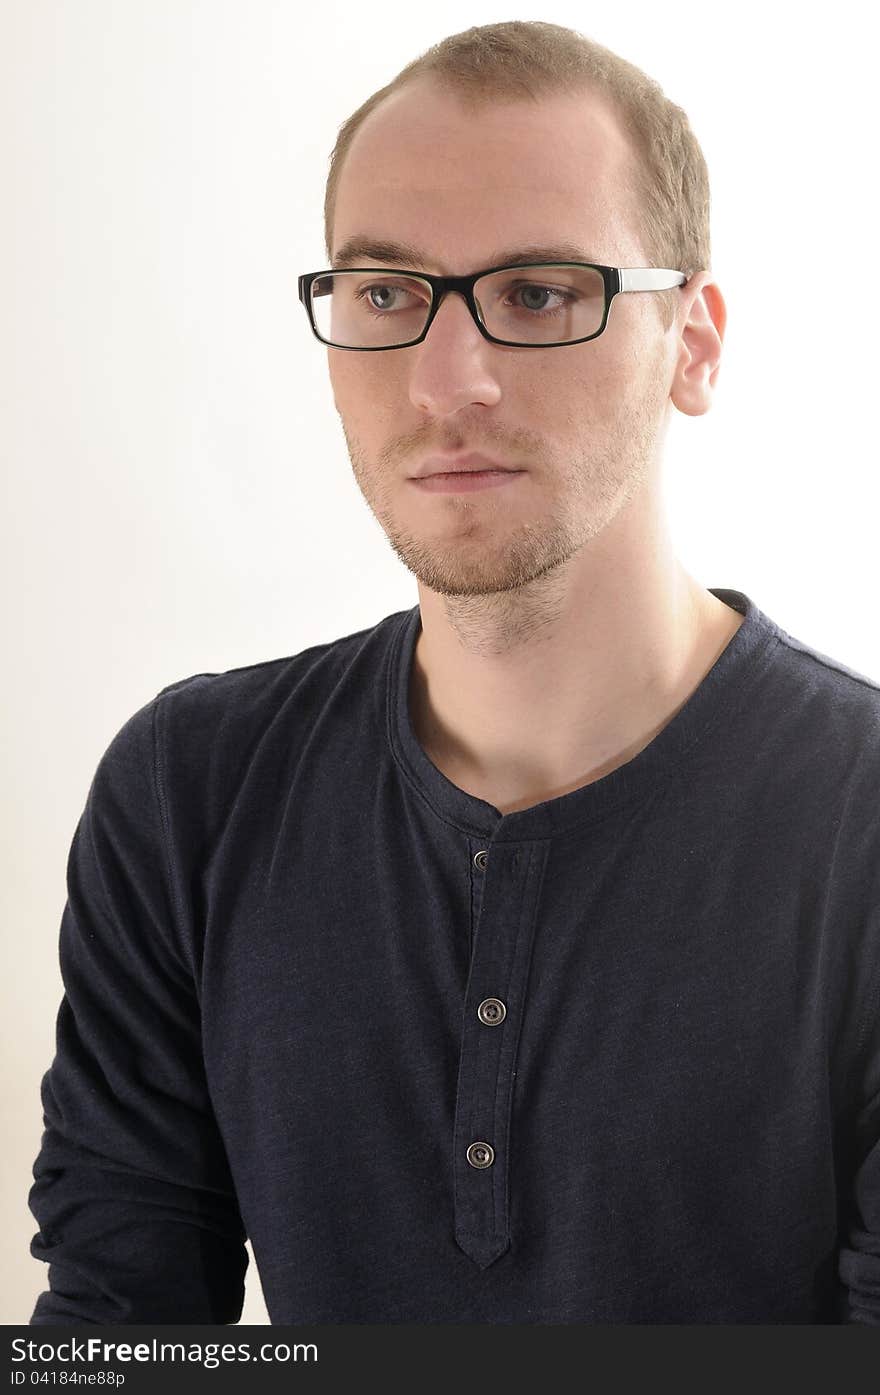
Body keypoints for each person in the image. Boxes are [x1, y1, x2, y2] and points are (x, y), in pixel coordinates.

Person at [28, 20, 880, 1325]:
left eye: (539, 293)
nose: (447, 380)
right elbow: (122, 1335)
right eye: (386, 294)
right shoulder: (187, 794)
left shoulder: (860, 823)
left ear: (693, 345)